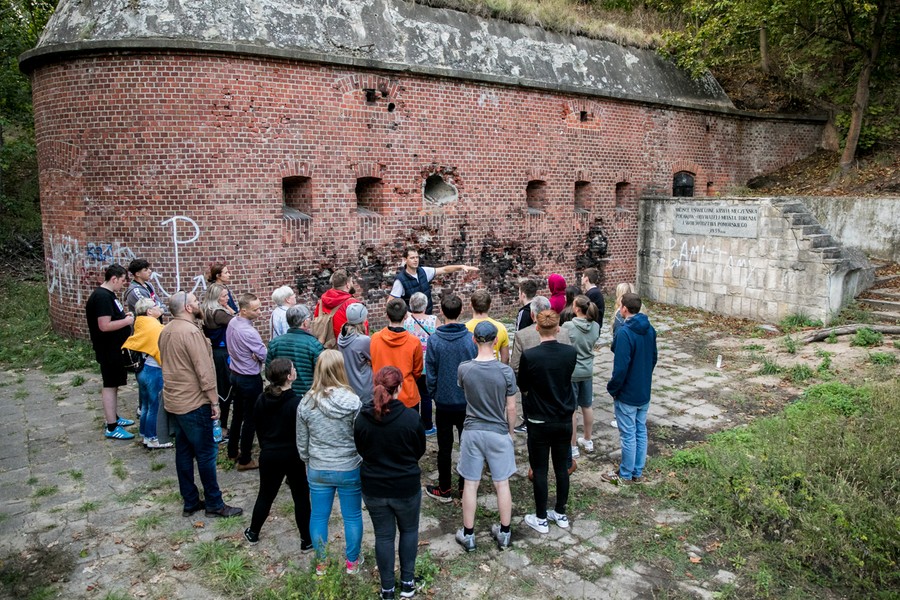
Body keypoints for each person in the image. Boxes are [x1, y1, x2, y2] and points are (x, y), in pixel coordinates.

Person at [158, 291, 242, 518]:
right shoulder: (191, 332)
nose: (198, 304)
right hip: (194, 401)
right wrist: (214, 401)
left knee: (184, 452)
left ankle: (190, 501)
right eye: (195, 301)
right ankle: (214, 503)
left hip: (174, 399)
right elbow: (203, 370)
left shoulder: (166, 331)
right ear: (187, 308)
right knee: (206, 453)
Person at [354, 367, 427, 600]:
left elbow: (361, 448)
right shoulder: (411, 418)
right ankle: (407, 582)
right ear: (400, 387)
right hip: (405, 486)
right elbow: (419, 449)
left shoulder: (363, 419)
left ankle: (387, 589)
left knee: (383, 536)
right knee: (409, 530)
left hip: (374, 487)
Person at [296, 350, 364, 575]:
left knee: (318, 516)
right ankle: (352, 562)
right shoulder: (353, 401)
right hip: (348, 466)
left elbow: (302, 442)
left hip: (318, 467)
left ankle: (322, 564)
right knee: (352, 516)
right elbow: (359, 436)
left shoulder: (306, 403)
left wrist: (308, 460)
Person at [454, 321, 518, 552]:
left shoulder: (464, 369)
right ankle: (504, 532)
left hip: (472, 431)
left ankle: (469, 535)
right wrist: (510, 432)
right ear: (495, 342)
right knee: (502, 483)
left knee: (471, 483)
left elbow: (466, 392)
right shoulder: (505, 371)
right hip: (497, 431)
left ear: (474, 340)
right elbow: (511, 408)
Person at [243, 358, 312, 552]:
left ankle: (253, 532)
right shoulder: (297, 403)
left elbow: (257, 426)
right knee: (301, 497)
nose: (295, 370)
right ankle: (306, 540)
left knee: (265, 495)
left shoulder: (261, 399)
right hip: (292, 456)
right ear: (290, 377)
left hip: (270, 455)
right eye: (293, 369)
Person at [519, 310, 578, 535]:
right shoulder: (569, 353)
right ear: (558, 328)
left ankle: (541, 517)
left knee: (541, 469)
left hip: (538, 418)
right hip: (563, 418)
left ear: (537, 327)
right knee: (562, 467)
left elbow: (522, 385)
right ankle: (560, 512)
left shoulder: (531, 356)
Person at [424, 294, 477, 503]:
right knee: (466, 446)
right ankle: (465, 488)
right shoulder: (469, 339)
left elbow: (431, 372)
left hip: (444, 401)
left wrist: (434, 393)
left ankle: (445, 488)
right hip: (465, 401)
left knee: (445, 447)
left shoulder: (435, 340)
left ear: (442, 312)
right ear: (461, 311)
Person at [601, 293, 658, 485]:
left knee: (628, 434)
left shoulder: (625, 333)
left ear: (623, 308)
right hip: (643, 389)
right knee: (640, 430)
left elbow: (621, 367)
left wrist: (613, 388)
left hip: (627, 393)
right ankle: (637, 470)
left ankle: (625, 473)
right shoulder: (650, 329)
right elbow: (653, 358)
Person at [85, 264, 136, 440]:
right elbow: (104, 325)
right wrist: (128, 321)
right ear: (114, 279)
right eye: (122, 281)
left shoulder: (109, 295)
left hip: (116, 349)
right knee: (110, 384)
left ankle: (113, 416)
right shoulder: (102, 298)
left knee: (114, 384)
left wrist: (123, 317)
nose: (123, 285)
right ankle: (111, 426)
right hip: (108, 349)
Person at [509, 296, 571, 435]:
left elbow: (515, 366)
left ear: (532, 315)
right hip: (559, 389)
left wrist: (525, 390)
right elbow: (569, 361)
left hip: (533, 393)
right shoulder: (564, 333)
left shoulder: (522, 335)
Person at [121, 298, 172, 448]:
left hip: (141, 369)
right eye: (156, 306)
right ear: (149, 311)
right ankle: (152, 438)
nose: (159, 307)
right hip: (153, 369)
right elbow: (160, 349)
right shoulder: (154, 326)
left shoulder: (140, 322)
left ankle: (144, 433)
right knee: (154, 405)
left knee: (145, 405)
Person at [226, 293, 267, 471]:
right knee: (251, 419)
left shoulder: (233, 323)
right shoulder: (249, 332)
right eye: (256, 309)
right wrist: (257, 355)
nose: (260, 312)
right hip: (249, 377)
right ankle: (245, 459)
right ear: (243, 310)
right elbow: (265, 355)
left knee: (237, 415)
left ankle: (232, 450)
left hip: (235, 373)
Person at [561, 295, 601, 459]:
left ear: (576, 309)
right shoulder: (596, 326)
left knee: (572, 409)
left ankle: (573, 446)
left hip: (572, 371)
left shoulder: (568, 326)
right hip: (587, 370)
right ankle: (588, 439)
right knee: (587, 405)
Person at [390, 246, 479, 315]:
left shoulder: (423, 271)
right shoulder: (400, 280)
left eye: (417, 257)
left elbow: (444, 270)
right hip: (411, 321)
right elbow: (391, 303)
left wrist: (461, 267)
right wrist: (407, 315)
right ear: (405, 260)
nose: (415, 260)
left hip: (427, 315)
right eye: (412, 258)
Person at [370, 298, 423, 411]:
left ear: (387, 316)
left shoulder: (375, 339)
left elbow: (373, 363)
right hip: (407, 393)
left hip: (382, 394)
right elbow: (417, 371)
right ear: (405, 316)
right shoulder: (414, 341)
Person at [201, 282, 235, 440]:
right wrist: (229, 309)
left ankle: (217, 424)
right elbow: (236, 322)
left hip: (213, 351)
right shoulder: (218, 313)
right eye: (224, 296)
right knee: (224, 390)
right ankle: (221, 427)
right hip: (222, 353)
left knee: (219, 387)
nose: (227, 298)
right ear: (216, 297)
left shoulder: (205, 310)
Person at [267, 304, 324, 397]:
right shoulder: (314, 345)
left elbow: (268, 373)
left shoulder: (274, 343)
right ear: (305, 322)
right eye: (309, 318)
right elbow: (322, 374)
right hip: (306, 396)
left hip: (280, 395)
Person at [403, 292, 438, 434]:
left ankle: (413, 424)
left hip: (411, 364)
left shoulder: (406, 321)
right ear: (426, 305)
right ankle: (427, 426)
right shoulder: (433, 320)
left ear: (411, 305)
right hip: (427, 364)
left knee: (413, 395)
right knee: (426, 397)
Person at [608, 282, 636, 429]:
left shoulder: (620, 317)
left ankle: (620, 416)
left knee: (621, 380)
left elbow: (618, 339)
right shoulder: (640, 313)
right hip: (636, 355)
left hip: (623, 352)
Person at [313, 269, 366, 340]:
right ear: (348, 285)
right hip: (345, 346)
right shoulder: (353, 305)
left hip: (323, 346)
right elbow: (363, 329)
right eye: (351, 282)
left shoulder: (321, 302)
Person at [337, 303, 373, 406]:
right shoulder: (363, 340)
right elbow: (375, 359)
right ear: (362, 319)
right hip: (365, 386)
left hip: (349, 385)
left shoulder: (341, 336)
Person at [465, 289, 509, 364]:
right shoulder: (500, 328)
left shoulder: (464, 328)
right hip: (493, 371)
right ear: (490, 306)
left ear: (471, 305)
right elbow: (505, 359)